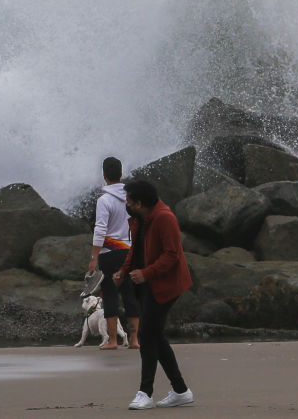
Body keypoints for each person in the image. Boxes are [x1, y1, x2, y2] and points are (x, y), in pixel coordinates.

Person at [114, 179, 194, 410]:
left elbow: (172, 255)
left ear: (139, 203)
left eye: (129, 200)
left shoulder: (164, 218)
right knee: (155, 336)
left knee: (148, 335)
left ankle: (145, 393)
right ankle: (180, 390)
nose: (126, 204)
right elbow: (136, 249)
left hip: (166, 285)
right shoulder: (142, 217)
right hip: (149, 283)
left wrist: (146, 273)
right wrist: (124, 270)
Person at [88, 157, 140, 350]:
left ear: (104, 176)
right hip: (130, 251)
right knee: (130, 294)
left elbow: (100, 229)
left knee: (110, 293)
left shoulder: (104, 200)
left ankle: (112, 341)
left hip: (110, 253)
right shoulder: (131, 198)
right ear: (121, 174)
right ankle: (134, 340)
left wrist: (93, 257)